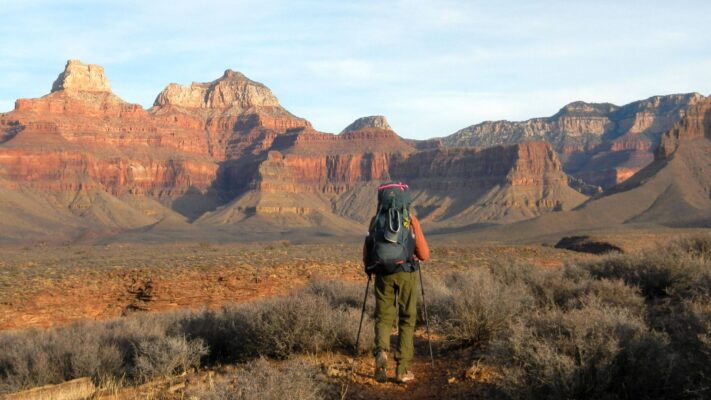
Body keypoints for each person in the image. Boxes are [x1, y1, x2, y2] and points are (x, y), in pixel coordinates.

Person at [363, 182, 430, 383]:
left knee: (383, 318)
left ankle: (381, 356)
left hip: (382, 274)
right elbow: (424, 254)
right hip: (406, 273)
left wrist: (370, 268)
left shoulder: (375, 220)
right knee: (407, 318)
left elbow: (367, 251)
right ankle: (402, 370)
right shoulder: (410, 220)